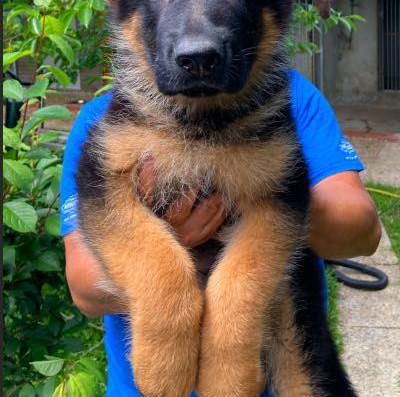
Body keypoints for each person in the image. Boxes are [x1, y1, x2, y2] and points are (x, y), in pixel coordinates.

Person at [61, 69, 381, 397]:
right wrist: (170, 251)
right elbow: (84, 289)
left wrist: (271, 189)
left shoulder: (292, 96)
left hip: (279, 369)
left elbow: (363, 231)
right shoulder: (99, 120)